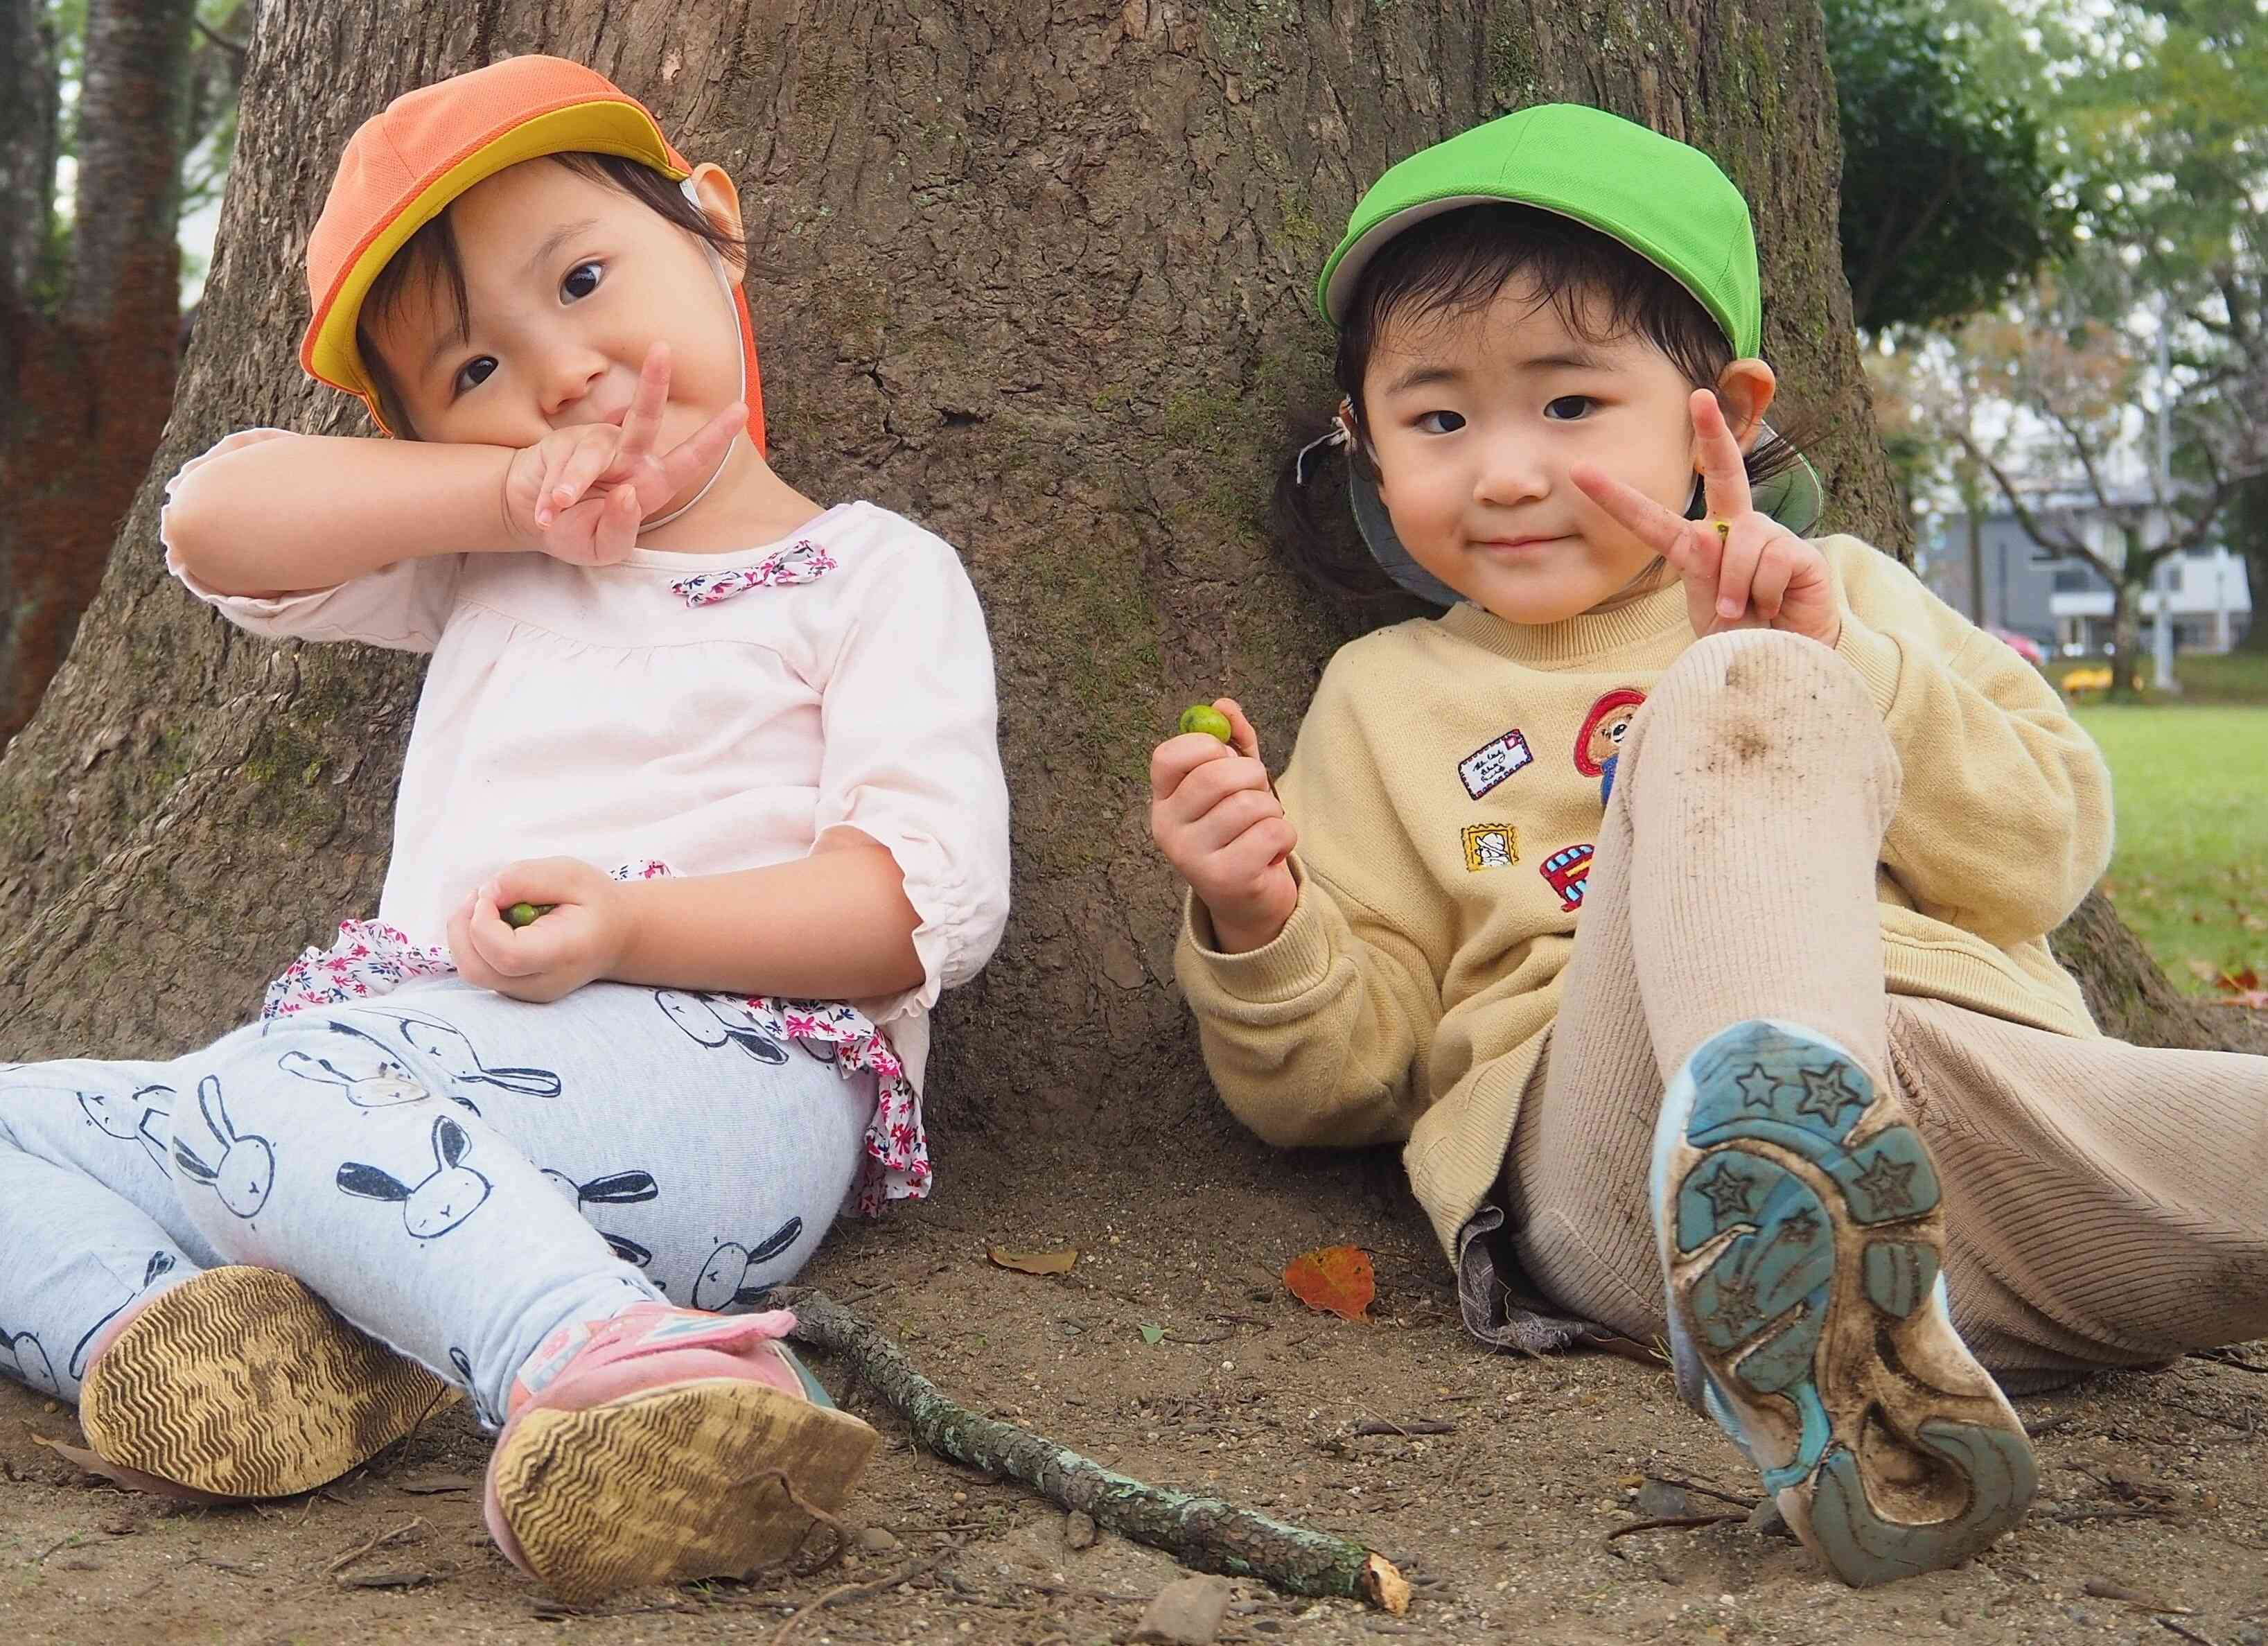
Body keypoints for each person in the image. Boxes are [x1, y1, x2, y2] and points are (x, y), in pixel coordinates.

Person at [1148, 103, 2268, 1588]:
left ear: (1721, 418)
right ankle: (1770, 1171)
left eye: (1565, 406)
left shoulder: (1845, 593)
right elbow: (1341, 1081)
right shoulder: (1384, 698)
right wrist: (1257, 918)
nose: (1499, 471)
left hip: (1973, 1127)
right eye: (1436, 419)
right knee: (1726, 690)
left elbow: (2036, 854)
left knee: (2198, 1142)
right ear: (1362, 437)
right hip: (1621, 1173)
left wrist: (1838, 665)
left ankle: (1861, 1344)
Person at [0, 55, 1009, 1605]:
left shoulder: (864, 574)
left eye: (588, 279)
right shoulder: (486, 563)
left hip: (727, 1075)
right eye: (475, 373)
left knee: (287, 1070)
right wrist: (505, 503)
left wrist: (631, 923)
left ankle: (629, 1368)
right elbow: (213, 520)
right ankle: (192, 1346)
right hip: (395, 1084)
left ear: (717, 235)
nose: (562, 374)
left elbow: (908, 907)